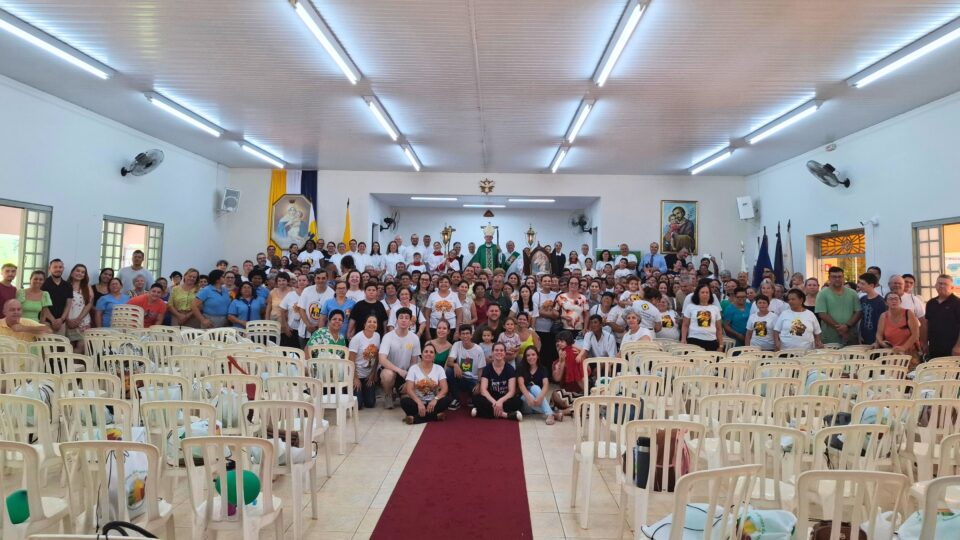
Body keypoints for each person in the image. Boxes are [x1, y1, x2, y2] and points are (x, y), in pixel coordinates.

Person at [378, 307, 422, 409]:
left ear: (411, 322)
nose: (403, 320)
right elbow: (382, 359)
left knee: (406, 401)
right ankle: (388, 394)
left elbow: (414, 363)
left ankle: (400, 392)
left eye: (407, 318)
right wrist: (399, 370)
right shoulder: (388, 336)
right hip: (390, 370)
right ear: (396, 320)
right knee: (387, 375)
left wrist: (409, 378)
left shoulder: (414, 338)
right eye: (401, 317)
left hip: (405, 373)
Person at [471, 343, 522, 421]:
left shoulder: (510, 369)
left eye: (501, 350)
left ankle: (481, 412)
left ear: (505, 353)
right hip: (490, 398)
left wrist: (500, 401)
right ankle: (506, 415)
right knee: (476, 399)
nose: (499, 352)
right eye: (496, 350)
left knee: (518, 402)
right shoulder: (487, 368)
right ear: (492, 352)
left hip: (504, 399)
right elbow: (483, 390)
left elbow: (511, 391)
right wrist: (495, 403)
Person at [815, 267, 862, 346]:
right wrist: (840, 329)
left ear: (843, 278)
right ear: (829, 278)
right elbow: (822, 314)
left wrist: (847, 326)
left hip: (850, 335)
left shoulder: (853, 293)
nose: (837, 279)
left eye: (840, 276)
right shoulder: (822, 294)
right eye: (834, 277)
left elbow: (858, 312)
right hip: (830, 337)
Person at [446, 324, 487, 410]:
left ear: (471, 335)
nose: (465, 336)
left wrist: (479, 384)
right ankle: (456, 399)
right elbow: (449, 361)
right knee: (449, 371)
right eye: (463, 334)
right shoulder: (457, 345)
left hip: (473, 380)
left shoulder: (478, 349)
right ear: (459, 336)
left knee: (477, 399)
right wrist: (455, 365)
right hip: (461, 377)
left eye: (467, 333)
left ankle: (471, 397)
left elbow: (481, 369)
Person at [875, 292, 920, 364]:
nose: (894, 301)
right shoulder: (883, 316)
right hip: (891, 354)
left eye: (896, 299)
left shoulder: (908, 313)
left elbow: (915, 334)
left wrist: (904, 348)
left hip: (909, 353)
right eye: (890, 299)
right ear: (886, 302)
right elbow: (879, 334)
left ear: (900, 301)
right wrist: (881, 342)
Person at [348, 314, 381, 409]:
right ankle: (349, 390)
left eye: (374, 322)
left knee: (370, 403)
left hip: (368, 375)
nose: (372, 324)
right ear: (364, 324)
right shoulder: (357, 338)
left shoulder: (377, 336)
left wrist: (373, 374)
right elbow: (351, 360)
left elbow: (377, 357)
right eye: (369, 321)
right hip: (356, 374)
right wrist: (355, 378)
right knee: (358, 406)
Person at [517, 347, 556, 424]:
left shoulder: (543, 369)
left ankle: (549, 414)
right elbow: (521, 385)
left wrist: (540, 397)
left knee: (535, 388)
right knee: (531, 391)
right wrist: (528, 398)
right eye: (528, 355)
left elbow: (545, 384)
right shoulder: (521, 368)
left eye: (533, 354)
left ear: (537, 356)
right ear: (525, 357)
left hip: (537, 402)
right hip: (525, 401)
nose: (531, 357)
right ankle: (553, 414)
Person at [925, 274, 960, 359]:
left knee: (951, 372)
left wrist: (958, 346)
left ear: (951, 287)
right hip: (934, 347)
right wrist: (925, 343)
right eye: (939, 283)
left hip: (952, 348)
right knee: (934, 371)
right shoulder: (931, 303)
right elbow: (927, 324)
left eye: (945, 284)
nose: (942, 286)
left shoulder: (957, 303)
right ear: (935, 285)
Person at [297, 270, 334, 346]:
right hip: (306, 329)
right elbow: (301, 309)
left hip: (322, 331)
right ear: (314, 279)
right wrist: (309, 325)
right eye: (318, 278)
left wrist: (318, 325)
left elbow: (331, 313)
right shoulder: (307, 290)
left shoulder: (332, 293)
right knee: (305, 355)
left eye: (323, 278)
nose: (321, 280)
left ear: (327, 279)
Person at [681, 283, 723, 351]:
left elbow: (719, 328)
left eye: (707, 292)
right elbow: (685, 325)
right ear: (698, 294)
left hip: (711, 340)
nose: (705, 294)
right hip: (694, 340)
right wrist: (683, 339)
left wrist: (721, 345)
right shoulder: (690, 307)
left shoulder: (715, 308)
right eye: (702, 292)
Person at [63, 264, 93, 350]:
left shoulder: (87, 287)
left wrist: (78, 319)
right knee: (68, 347)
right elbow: (62, 304)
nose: (80, 273)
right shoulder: (65, 285)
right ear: (72, 272)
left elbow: (89, 304)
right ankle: (68, 363)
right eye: (78, 271)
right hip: (68, 321)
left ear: (85, 275)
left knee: (82, 346)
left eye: (83, 272)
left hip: (83, 321)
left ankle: (74, 363)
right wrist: (68, 319)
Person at [41, 259, 73, 336]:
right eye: (55, 267)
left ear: (63, 269)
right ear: (49, 269)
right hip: (46, 321)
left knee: (60, 346)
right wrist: (53, 320)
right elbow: (42, 305)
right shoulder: (43, 283)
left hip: (61, 323)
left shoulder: (67, 285)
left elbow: (68, 304)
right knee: (46, 346)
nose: (58, 269)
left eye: (60, 267)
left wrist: (61, 319)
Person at [857, 272, 886, 346]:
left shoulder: (881, 302)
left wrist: (878, 340)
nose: (859, 285)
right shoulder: (862, 299)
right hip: (864, 337)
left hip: (876, 339)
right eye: (859, 283)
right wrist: (860, 334)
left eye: (863, 284)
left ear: (871, 285)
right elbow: (861, 318)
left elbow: (883, 323)